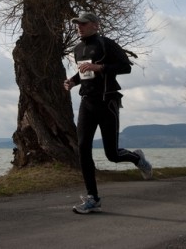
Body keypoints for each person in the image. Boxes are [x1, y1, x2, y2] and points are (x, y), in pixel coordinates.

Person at [63, 12, 153, 214]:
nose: (79, 27)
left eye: (83, 23)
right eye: (77, 24)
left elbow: (125, 67)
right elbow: (84, 71)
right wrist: (72, 81)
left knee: (112, 154)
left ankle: (137, 159)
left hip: (107, 101)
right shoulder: (77, 49)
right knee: (82, 148)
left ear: (95, 25)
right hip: (87, 102)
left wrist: (101, 67)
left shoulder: (106, 44)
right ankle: (93, 198)